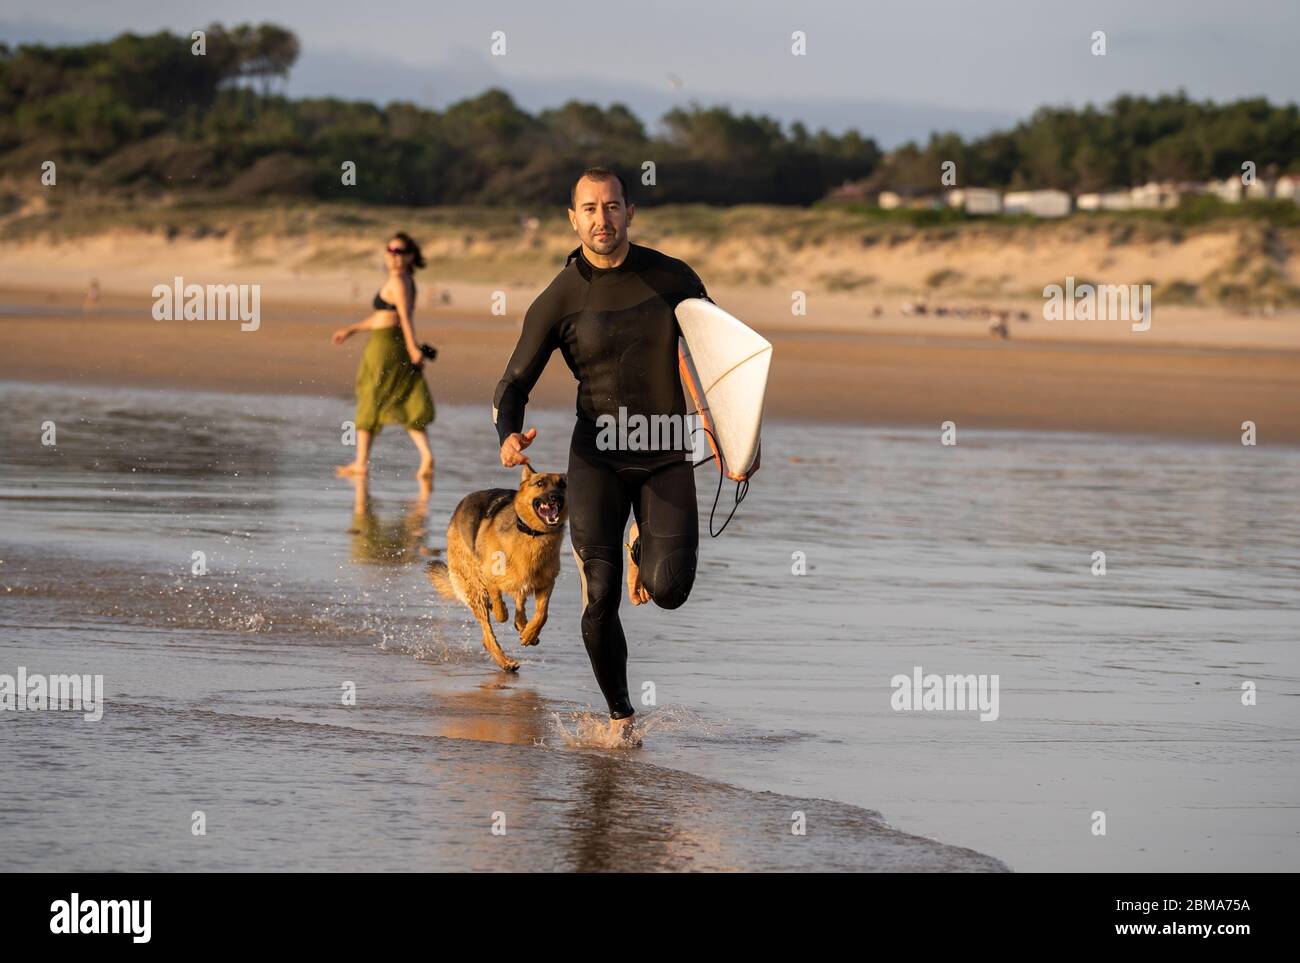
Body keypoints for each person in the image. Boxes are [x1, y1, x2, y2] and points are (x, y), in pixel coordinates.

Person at [493, 168, 708, 744]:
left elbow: (718, 359)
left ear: (629, 212)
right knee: (599, 597)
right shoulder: (561, 297)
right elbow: (512, 386)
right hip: (598, 459)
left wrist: (738, 439)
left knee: (669, 589)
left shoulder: (672, 278)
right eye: (589, 208)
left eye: (611, 206)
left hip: (665, 453)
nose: (601, 219)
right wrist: (508, 436)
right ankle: (622, 718)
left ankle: (643, 543)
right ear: (573, 218)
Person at [332, 233, 435, 479]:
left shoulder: (399, 281)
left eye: (399, 251)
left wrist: (412, 347)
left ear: (410, 256)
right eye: (390, 249)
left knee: (370, 395)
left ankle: (360, 463)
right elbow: (383, 316)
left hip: (386, 346)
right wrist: (352, 329)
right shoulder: (403, 279)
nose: (392, 255)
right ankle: (426, 455)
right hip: (389, 341)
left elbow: (403, 318)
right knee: (403, 396)